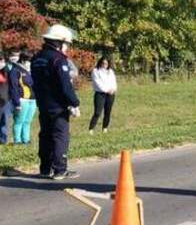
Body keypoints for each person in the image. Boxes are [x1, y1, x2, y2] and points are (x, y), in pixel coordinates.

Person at [31, 24, 81, 179]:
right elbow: (65, 85)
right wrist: (74, 103)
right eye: (66, 43)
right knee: (60, 136)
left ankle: (45, 168)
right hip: (58, 105)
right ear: (59, 42)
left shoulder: (37, 58)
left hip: (43, 103)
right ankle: (60, 169)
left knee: (45, 135)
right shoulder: (58, 59)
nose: (67, 47)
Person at [9, 52, 37, 144]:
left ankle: (26, 139)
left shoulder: (30, 70)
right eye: (29, 61)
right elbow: (13, 88)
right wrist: (16, 103)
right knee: (19, 121)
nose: (31, 63)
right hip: (22, 100)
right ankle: (17, 140)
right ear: (24, 60)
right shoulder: (15, 71)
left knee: (27, 121)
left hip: (32, 100)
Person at [88, 56, 117, 134]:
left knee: (108, 112)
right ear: (100, 62)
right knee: (97, 112)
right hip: (100, 94)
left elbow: (114, 82)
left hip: (111, 94)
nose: (105, 64)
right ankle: (91, 129)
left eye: (106, 63)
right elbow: (98, 83)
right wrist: (106, 90)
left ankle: (105, 128)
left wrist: (113, 89)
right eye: (103, 63)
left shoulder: (110, 71)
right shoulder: (96, 71)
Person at [0, 53, 11, 144]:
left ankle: (3, 140)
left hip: (6, 99)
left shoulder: (7, 71)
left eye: (2, 60)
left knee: (5, 120)